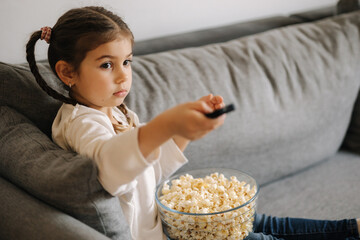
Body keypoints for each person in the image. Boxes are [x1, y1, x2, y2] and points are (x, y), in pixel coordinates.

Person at [26, 6, 360, 240]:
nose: (123, 75)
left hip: (172, 222)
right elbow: (108, 170)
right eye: (106, 65)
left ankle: (349, 228)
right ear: (67, 72)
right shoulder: (81, 123)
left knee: (261, 221)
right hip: (156, 235)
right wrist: (167, 125)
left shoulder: (119, 114)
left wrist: (183, 132)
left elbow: (152, 172)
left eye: (127, 61)